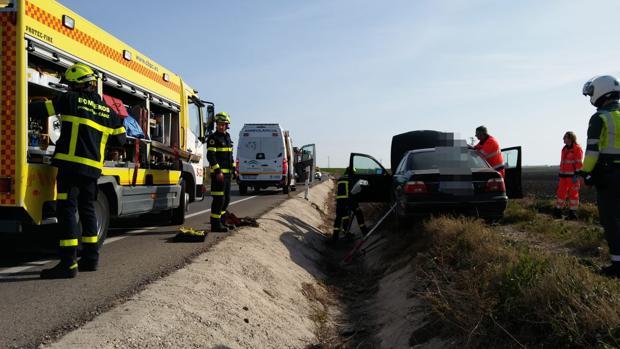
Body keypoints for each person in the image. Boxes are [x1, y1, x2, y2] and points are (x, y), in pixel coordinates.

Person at [36, 63, 126, 279]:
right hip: (93, 170)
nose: (67, 88)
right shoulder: (108, 111)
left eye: (69, 85)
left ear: (76, 84)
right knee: (87, 210)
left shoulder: (68, 100)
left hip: (70, 166)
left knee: (67, 210)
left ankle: (67, 264)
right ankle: (91, 259)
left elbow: (41, 110)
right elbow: (121, 139)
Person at [581, 75, 620, 277]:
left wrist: (586, 173)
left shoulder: (600, 117)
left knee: (611, 219)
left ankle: (617, 264)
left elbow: (592, 151)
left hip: (609, 176)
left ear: (600, 92)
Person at [207, 112, 235, 232]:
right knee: (219, 200)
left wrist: (234, 169)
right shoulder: (213, 138)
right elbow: (210, 156)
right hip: (219, 175)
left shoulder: (227, 138)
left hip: (227, 175)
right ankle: (215, 224)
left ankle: (222, 221)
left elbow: (230, 156)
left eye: (223, 124)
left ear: (227, 125)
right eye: (219, 124)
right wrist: (218, 171)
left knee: (226, 199)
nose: (220, 126)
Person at [332, 167, 368, 242]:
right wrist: (366, 182)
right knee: (358, 213)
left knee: (340, 217)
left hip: (339, 201)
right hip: (349, 200)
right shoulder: (351, 178)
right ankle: (364, 230)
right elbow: (360, 185)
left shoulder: (341, 178)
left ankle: (335, 236)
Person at [553, 131, 583, 220]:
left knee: (573, 195)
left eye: (565, 137)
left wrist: (577, 174)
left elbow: (579, 163)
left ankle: (572, 213)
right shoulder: (564, 149)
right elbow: (563, 163)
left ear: (570, 138)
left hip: (573, 176)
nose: (563, 139)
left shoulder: (577, 149)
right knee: (560, 193)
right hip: (563, 176)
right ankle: (558, 211)